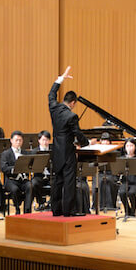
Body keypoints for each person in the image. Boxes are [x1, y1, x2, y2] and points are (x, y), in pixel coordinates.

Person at [48, 66, 90, 217]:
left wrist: (60, 79)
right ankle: (68, 211)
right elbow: (77, 133)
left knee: (57, 181)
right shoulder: (71, 116)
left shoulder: (54, 108)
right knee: (69, 182)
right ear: (72, 103)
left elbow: (51, 94)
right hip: (67, 153)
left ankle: (56, 210)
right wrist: (87, 143)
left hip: (56, 151)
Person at [1, 131, 33, 214]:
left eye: (20, 140)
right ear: (11, 140)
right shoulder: (5, 154)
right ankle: (17, 208)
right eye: (16, 140)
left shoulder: (26, 153)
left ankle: (27, 211)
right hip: (11, 180)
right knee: (14, 189)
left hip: (23, 179)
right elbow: (4, 168)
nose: (18, 142)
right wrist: (15, 168)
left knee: (30, 186)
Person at [118, 138, 136, 217]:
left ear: (135, 147)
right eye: (127, 146)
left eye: (131, 146)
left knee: (131, 193)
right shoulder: (122, 158)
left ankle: (133, 211)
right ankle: (127, 211)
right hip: (125, 181)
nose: (129, 148)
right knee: (122, 193)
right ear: (125, 148)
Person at [30, 130, 53, 211]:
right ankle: (41, 203)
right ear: (39, 140)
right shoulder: (34, 151)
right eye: (43, 140)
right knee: (34, 183)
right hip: (39, 176)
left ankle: (50, 203)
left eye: (47, 140)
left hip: (51, 175)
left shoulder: (53, 150)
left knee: (58, 182)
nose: (45, 142)